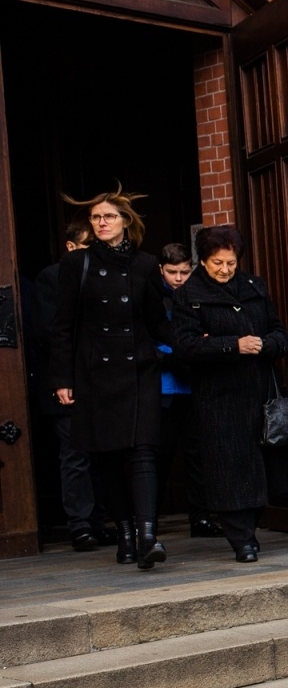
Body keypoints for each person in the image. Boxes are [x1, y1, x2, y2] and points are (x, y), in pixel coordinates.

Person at [48, 188, 171, 569]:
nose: (101, 223)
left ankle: (148, 535)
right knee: (110, 457)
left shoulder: (146, 264)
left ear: (126, 223)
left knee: (143, 451)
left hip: (139, 371)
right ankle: (127, 537)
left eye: (109, 217)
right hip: (95, 373)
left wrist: (194, 341)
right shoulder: (77, 264)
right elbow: (62, 327)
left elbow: (157, 321)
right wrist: (62, 379)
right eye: (96, 218)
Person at [169, 225, 288, 563]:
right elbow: (185, 345)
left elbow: (280, 333)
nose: (224, 270)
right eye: (217, 263)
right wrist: (231, 346)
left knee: (260, 465)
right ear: (203, 261)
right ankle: (242, 539)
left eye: (231, 264)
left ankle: (250, 530)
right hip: (219, 397)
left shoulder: (254, 286)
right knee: (229, 467)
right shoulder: (189, 294)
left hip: (259, 391)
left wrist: (265, 344)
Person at [30, 223, 111, 551]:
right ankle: (80, 526)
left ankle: (102, 522)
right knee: (75, 454)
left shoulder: (103, 275)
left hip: (103, 383)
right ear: (69, 246)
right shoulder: (52, 277)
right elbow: (50, 334)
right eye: (85, 245)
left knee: (104, 453)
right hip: (69, 384)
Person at [154, 243, 221, 540]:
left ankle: (201, 517)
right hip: (165, 388)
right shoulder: (153, 298)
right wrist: (173, 356)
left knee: (199, 455)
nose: (178, 278)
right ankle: (149, 519)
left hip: (194, 385)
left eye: (184, 271)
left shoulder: (198, 295)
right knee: (160, 456)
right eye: (172, 272)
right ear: (160, 269)